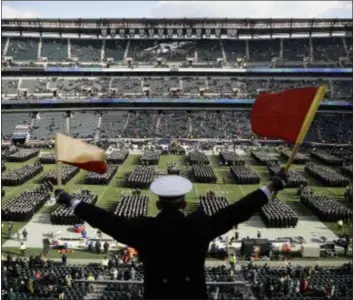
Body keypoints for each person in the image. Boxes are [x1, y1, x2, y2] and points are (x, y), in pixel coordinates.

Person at [53, 170, 287, 300]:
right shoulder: (199, 226)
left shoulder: (144, 229)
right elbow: (236, 211)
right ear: (185, 203)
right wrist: (271, 187)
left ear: (157, 203)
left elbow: (105, 220)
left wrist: (71, 201)